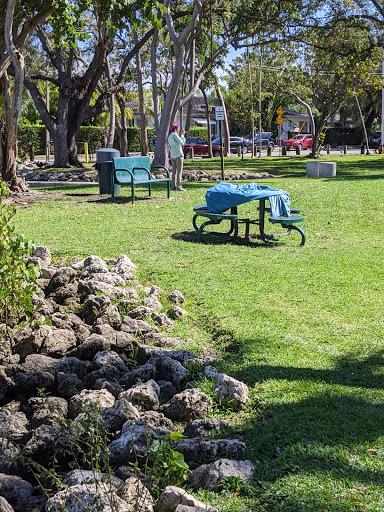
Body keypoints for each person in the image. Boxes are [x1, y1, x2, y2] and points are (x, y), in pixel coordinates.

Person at [168, 123, 186, 191]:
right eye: (178, 128)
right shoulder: (175, 135)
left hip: (172, 155)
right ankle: (179, 187)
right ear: (175, 129)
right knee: (179, 171)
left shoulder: (170, 136)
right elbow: (182, 143)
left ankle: (173, 186)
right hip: (178, 155)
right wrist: (182, 135)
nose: (179, 129)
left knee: (174, 172)